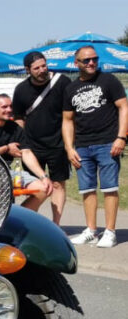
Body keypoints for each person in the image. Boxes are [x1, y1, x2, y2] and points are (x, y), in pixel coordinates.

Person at [63, 45, 128, 248]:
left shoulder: (108, 80)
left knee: (110, 188)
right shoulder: (70, 89)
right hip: (82, 146)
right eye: (87, 60)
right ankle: (91, 230)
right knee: (87, 190)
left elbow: (124, 107)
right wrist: (69, 147)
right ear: (76, 63)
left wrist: (121, 137)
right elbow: (67, 120)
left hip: (108, 142)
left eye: (95, 59)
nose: (92, 63)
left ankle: (110, 232)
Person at [12, 51, 72, 225]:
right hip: (32, 146)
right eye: (37, 68)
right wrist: (21, 142)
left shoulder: (62, 82)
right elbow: (18, 117)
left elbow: (70, 115)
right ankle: (31, 225)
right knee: (35, 187)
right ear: (27, 70)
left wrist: (69, 143)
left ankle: (56, 225)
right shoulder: (21, 89)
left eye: (44, 65)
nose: (42, 70)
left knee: (58, 185)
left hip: (58, 144)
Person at [0, 94, 52, 212]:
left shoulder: (14, 127)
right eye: (4, 107)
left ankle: (20, 219)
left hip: (6, 172)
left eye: (10, 106)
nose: (9, 110)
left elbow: (26, 152)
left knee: (43, 188)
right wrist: (6, 148)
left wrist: (43, 176)